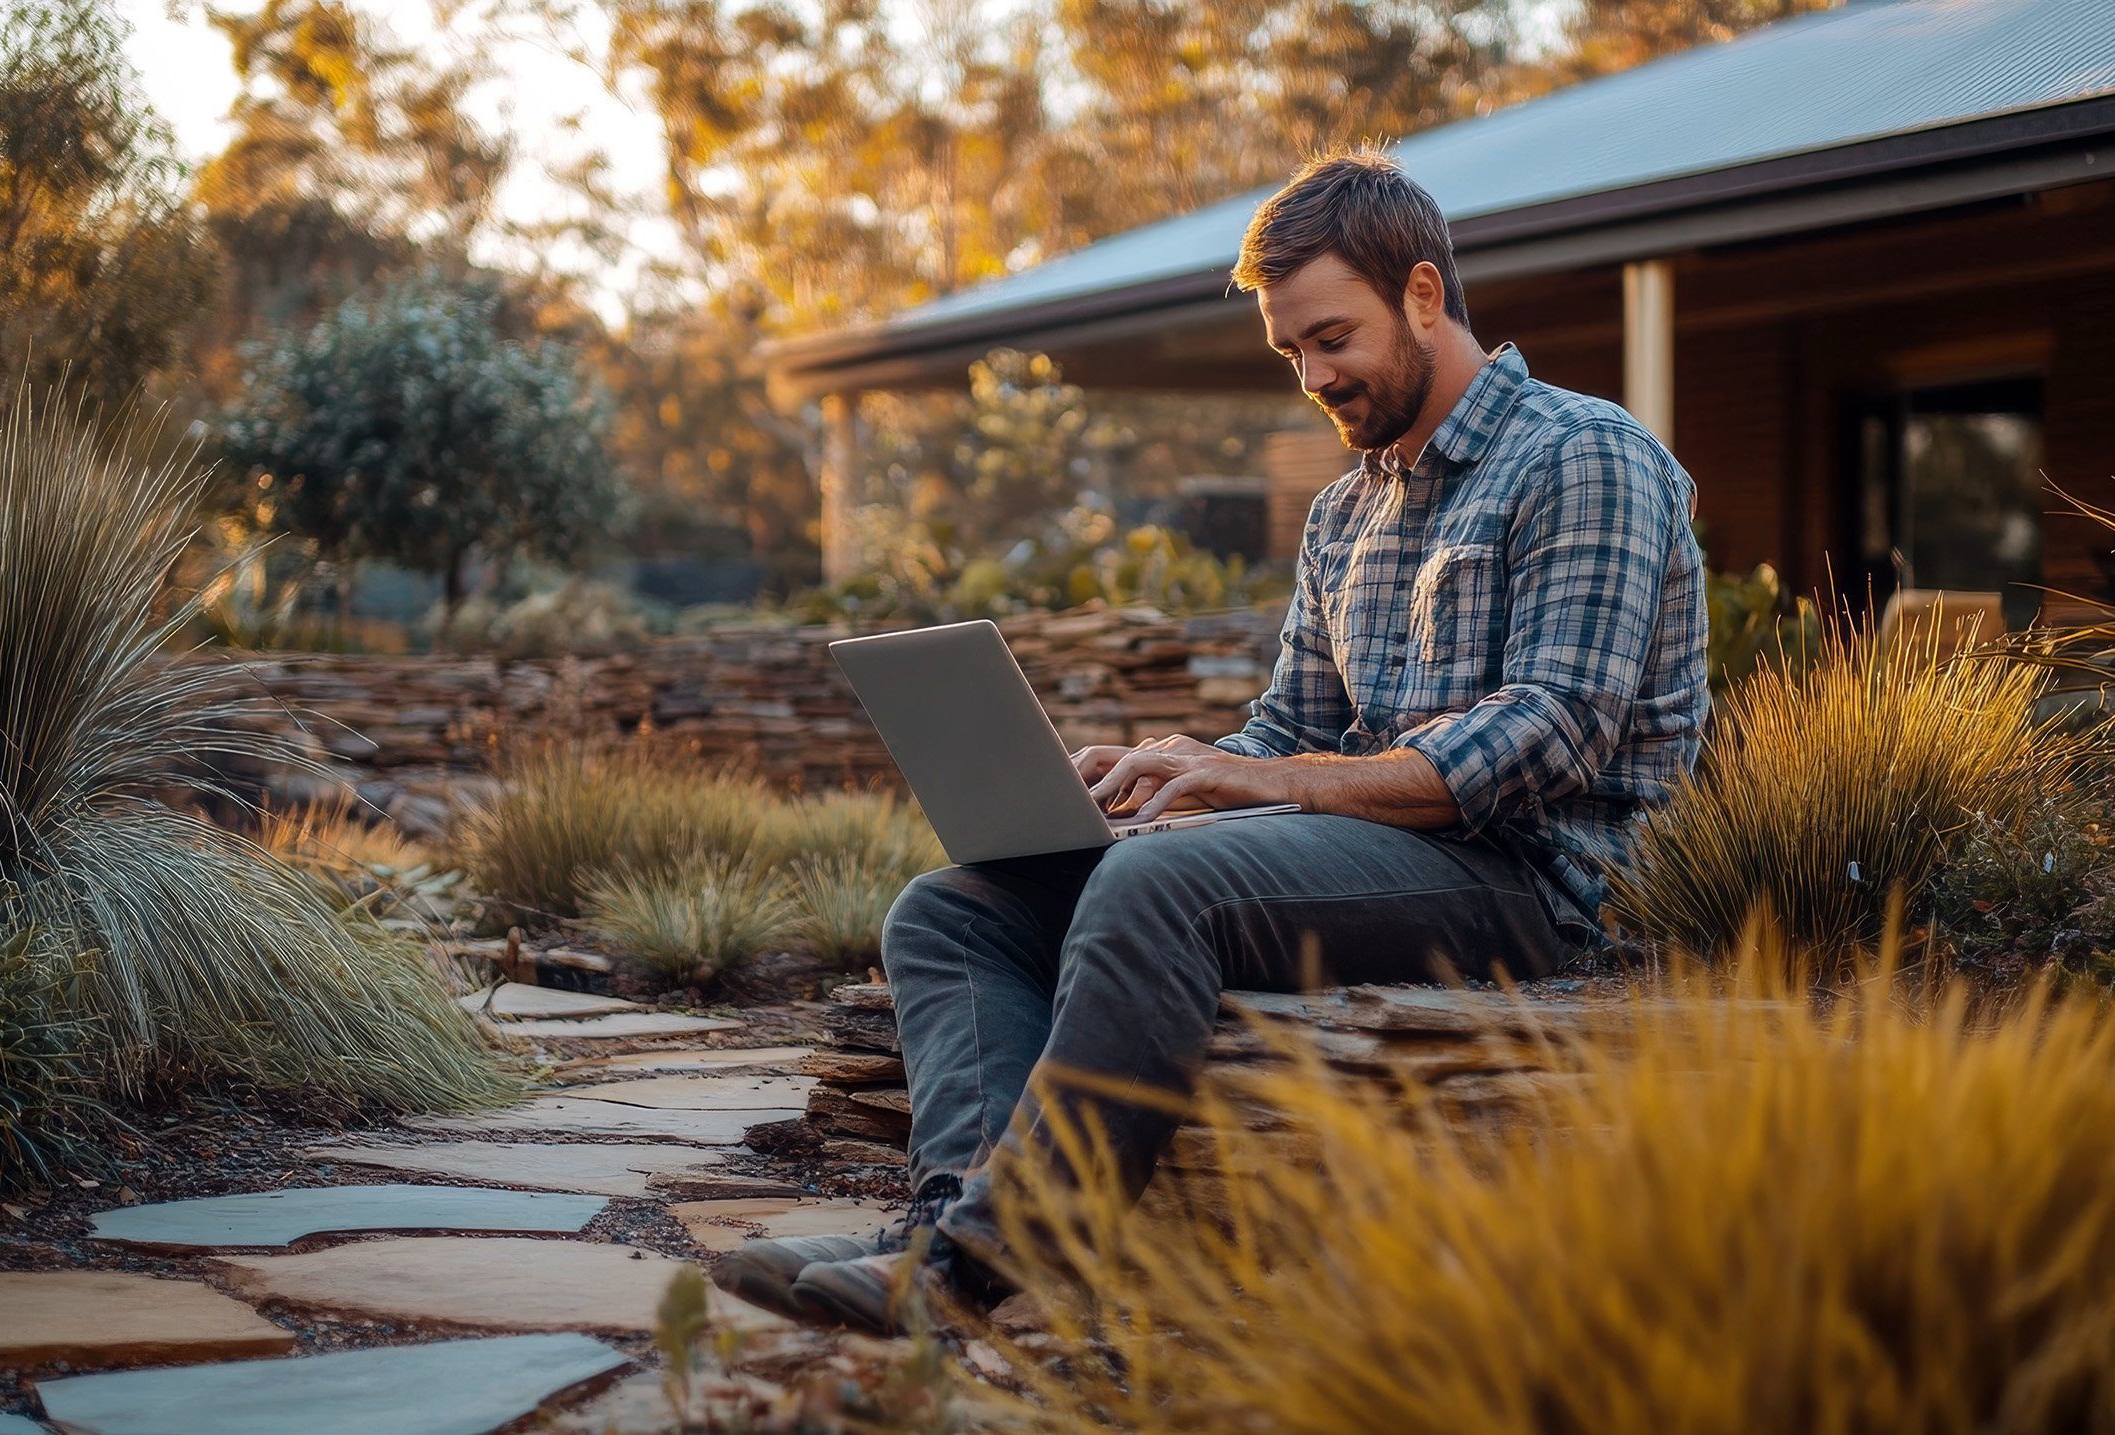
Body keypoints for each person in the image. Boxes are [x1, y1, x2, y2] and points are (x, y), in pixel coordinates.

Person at [714, 147, 1709, 1334]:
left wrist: (1261, 785)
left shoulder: (1582, 455)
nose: (1313, 377)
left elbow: (1553, 731)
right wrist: (1166, 775)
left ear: (1426, 296)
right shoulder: (1347, 509)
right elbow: (1288, 730)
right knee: (955, 908)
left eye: (1332, 338)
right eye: (1291, 352)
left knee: (1164, 888)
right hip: (1393, 857)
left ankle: (980, 1271)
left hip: (1537, 879)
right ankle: (941, 1226)